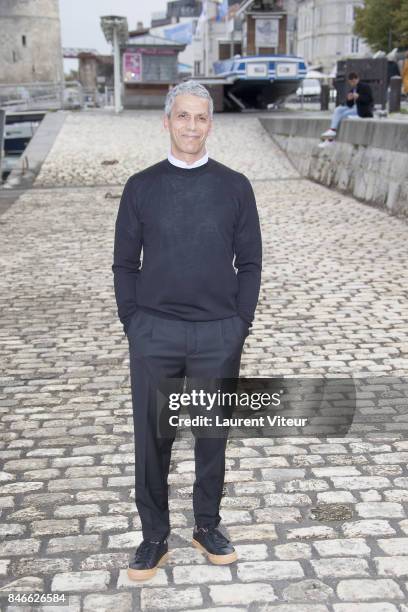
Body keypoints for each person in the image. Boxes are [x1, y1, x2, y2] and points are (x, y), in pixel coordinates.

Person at [112, 80, 262, 581]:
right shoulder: (140, 187)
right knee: (153, 437)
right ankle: (154, 536)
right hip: (154, 332)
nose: (191, 126)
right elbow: (123, 264)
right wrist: (133, 322)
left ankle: (206, 525)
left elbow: (252, 263)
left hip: (218, 332)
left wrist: (239, 324)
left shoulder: (235, 186)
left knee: (211, 436)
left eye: (201, 118)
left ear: (210, 124)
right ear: (167, 121)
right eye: (183, 117)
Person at [319, 71, 374, 148]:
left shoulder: (365, 87)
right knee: (338, 109)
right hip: (354, 108)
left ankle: (330, 139)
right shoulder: (353, 89)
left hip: (362, 110)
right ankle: (332, 130)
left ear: (357, 79)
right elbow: (349, 104)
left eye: (353, 81)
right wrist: (349, 99)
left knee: (343, 115)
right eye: (350, 82)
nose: (352, 83)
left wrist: (359, 97)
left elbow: (369, 100)